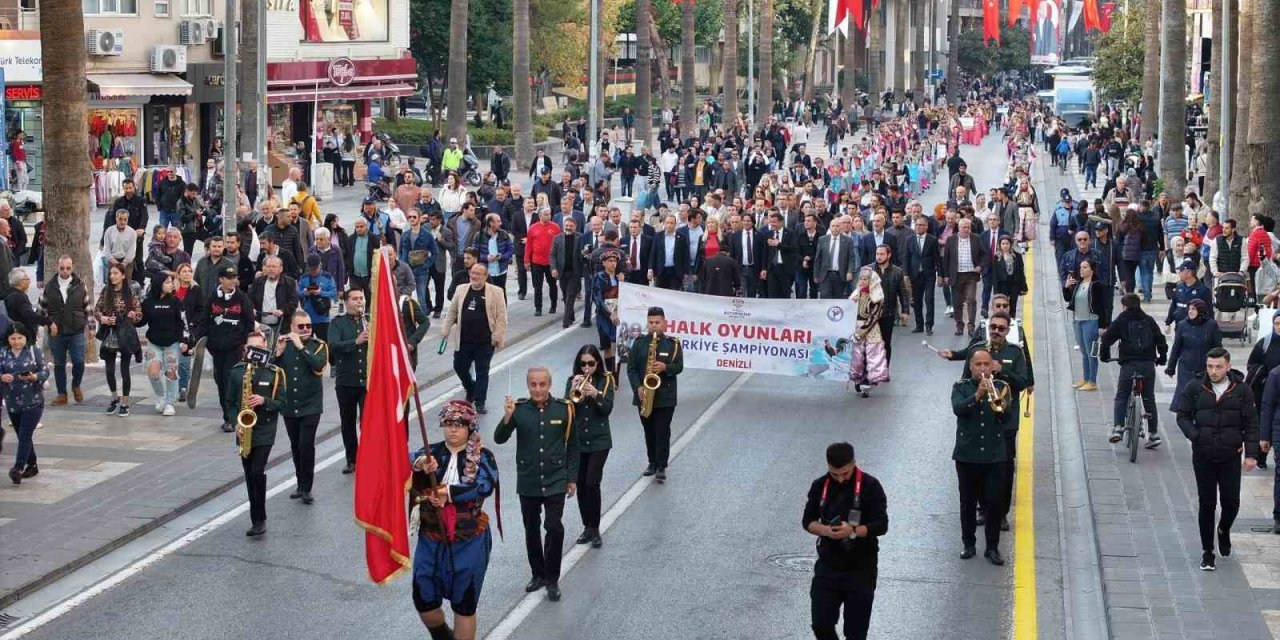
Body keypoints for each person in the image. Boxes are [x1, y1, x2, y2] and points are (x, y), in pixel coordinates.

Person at [410, 400, 499, 640]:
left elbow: (485, 485)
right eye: (449, 423)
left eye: (459, 424)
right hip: (431, 537)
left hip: (468, 539)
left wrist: (448, 493)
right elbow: (407, 460)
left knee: (464, 602)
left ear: (470, 427)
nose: (453, 429)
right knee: (423, 598)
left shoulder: (483, 456)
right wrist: (419, 464)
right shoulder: (431, 452)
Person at [494, 367, 578, 602]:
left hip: (555, 480)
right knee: (531, 528)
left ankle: (552, 579)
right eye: (534, 385)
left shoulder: (564, 409)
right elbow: (499, 438)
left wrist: (571, 478)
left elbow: (573, 446)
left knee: (554, 527)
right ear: (528, 385)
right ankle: (538, 574)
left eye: (542, 384)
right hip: (529, 480)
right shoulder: (519, 410)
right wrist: (507, 416)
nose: (538, 389)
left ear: (549, 385)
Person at [1175, 347, 1260, 571]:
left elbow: (1251, 423)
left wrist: (1251, 454)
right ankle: (1207, 552)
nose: (1214, 371)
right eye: (1210, 366)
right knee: (1207, 503)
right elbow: (1182, 416)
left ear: (1228, 367)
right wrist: (1195, 435)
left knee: (1231, 502)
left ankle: (1223, 529)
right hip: (1203, 455)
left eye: (1218, 367)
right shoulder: (1195, 387)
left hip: (1230, 455)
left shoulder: (1242, 391)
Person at [803, 442, 888, 640]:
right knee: (821, 624)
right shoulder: (819, 486)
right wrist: (826, 531)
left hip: (861, 568)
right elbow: (807, 521)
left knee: (855, 633)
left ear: (854, 463)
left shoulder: (870, 486)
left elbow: (882, 525)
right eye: (835, 474)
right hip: (828, 566)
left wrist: (853, 531)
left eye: (845, 473)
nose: (840, 479)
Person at [951, 348, 1013, 565]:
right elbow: (958, 409)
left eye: (987, 364)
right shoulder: (960, 387)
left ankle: (992, 548)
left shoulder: (1002, 388)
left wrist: (993, 398)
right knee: (967, 504)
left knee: (994, 504)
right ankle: (968, 544)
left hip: (995, 457)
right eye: (978, 365)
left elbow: (1006, 416)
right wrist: (977, 395)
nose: (983, 368)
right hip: (967, 455)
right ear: (971, 367)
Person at [227, 331, 285, 537]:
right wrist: (235, 423)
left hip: (265, 430)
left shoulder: (274, 373)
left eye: (258, 349)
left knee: (256, 472)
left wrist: (264, 401)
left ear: (265, 349)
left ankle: (259, 519)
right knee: (249, 474)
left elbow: (282, 402)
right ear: (245, 349)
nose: (253, 353)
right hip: (244, 429)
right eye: (250, 348)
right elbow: (231, 403)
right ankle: (255, 517)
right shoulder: (237, 372)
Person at [1099, 294, 1168, 447]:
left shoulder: (1122, 320)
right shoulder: (1148, 320)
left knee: (1122, 396)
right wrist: (1162, 357)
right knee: (1149, 398)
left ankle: (1118, 427)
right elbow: (1161, 340)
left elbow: (1106, 339)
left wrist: (1104, 356)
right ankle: (1154, 434)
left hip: (1129, 365)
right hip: (1148, 365)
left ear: (1124, 306)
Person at [273, 310, 327, 504]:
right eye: (301, 326)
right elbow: (271, 373)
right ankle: (300, 482)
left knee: (306, 445)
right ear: (292, 328)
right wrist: (277, 354)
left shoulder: (318, 346)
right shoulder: (284, 345)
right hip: (290, 404)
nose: (305, 329)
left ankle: (307, 487)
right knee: (295, 445)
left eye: (308, 326)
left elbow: (318, 365)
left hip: (310, 404)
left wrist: (300, 346)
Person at [626, 307, 684, 482]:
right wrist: (638, 387)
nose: (654, 326)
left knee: (662, 431)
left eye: (657, 322)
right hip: (644, 396)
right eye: (651, 323)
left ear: (664, 323)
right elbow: (631, 369)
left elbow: (679, 367)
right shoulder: (639, 343)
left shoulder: (673, 345)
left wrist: (666, 367)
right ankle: (651, 462)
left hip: (665, 397)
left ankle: (661, 466)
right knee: (649, 431)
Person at [442, 263, 508, 415]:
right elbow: (452, 311)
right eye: (473, 273)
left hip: (485, 342)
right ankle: (470, 387)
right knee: (459, 366)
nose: (474, 276)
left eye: (478, 274)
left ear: (485, 276)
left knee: (482, 371)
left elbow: (501, 317)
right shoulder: (461, 289)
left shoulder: (496, 292)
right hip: (464, 340)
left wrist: (497, 335)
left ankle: (480, 401)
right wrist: (445, 329)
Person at [567, 345, 614, 548]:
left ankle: (595, 528)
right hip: (578, 441)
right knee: (581, 486)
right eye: (583, 363)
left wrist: (595, 394)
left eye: (591, 364)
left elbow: (607, 409)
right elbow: (567, 409)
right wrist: (572, 392)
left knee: (592, 483)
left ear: (597, 363)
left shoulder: (606, 380)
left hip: (599, 441)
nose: (587, 368)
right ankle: (587, 526)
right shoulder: (573, 381)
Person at [205, 266, 256, 433]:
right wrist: (198, 341)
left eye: (234, 277)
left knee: (230, 380)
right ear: (221, 279)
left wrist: (245, 342)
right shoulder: (212, 298)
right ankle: (226, 415)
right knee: (220, 381)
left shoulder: (242, 298)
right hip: (217, 348)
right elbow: (204, 320)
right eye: (229, 277)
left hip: (235, 348)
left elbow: (249, 322)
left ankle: (232, 417)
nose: (233, 280)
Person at [40, 256, 91, 406]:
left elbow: (87, 307)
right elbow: (41, 310)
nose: (65, 271)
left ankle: (76, 385)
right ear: (58, 267)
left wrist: (91, 327)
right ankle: (62, 394)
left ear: (72, 267)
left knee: (79, 361)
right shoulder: (49, 286)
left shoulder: (80, 284)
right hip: (57, 331)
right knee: (59, 364)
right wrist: (49, 324)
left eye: (68, 268)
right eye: (62, 268)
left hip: (76, 329)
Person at [329, 289, 369, 474]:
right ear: (346, 301)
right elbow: (334, 346)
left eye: (361, 298)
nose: (359, 302)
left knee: (368, 422)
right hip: (346, 381)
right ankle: (351, 459)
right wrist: (356, 341)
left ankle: (369, 456)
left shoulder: (369, 320)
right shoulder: (338, 323)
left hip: (367, 381)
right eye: (354, 299)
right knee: (348, 422)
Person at [95, 264, 142, 417]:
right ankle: (114, 398)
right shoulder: (106, 291)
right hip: (110, 334)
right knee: (109, 371)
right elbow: (97, 310)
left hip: (126, 335)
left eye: (116, 273)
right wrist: (103, 318)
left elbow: (139, 314)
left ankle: (126, 402)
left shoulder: (130, 292)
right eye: (111, 274)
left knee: (124, 370)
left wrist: (132, 316)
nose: (112, 276)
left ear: (123, 275)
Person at [3, 323, 48, 485]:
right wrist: (2, 377)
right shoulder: (3, 353)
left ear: (25, 337)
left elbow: (45, 370)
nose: (16, 342)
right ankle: (33, 465)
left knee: (24, 434)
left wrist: (35, 377)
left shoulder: (33, 351)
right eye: (13, 338)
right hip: (12, 402)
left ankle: (18, 467)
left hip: (33, 400)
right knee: (22, 435)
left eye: (20, 338)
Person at [141, 275, 187, 416]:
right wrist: (134, 317)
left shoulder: (175, 301)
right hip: (154, 342)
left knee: (171, 373)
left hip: (172, 343)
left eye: (171, 282)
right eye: (167, 282)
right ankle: (161, 396)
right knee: (152, 371)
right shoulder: (148, 302)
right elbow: (141, 321)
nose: (171, 285)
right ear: (158, 284)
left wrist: (185, 340)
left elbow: (182, 322)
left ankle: (170, 403)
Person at [1167, 300, 1222, 411]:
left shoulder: (1211, 325)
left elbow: (1218, 347)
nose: (1190, 311)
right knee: (1185, 391)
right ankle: (1184, 414)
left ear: (1200, 310)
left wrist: (1220, 365)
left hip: (1204, 366)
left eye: (1194, 309)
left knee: (1203, 393)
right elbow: (1176, 348)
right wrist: (1170, 367)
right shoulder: (1183, 325)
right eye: (1189, 309)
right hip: (1186, 366)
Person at [1063, 259, 1105, 391]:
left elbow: (1103, 306)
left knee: (1091, 352)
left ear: (1092, 270)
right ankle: (1086, 378)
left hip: (1091, 321)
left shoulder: (1096, 285)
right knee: (1083, 352)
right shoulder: (1079, 283)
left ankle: (1092, 381)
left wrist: (1103, 325)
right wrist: (1066, 287)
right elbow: (1068, 299)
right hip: (1078, 321)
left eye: (1085, 267)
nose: (1081, 270)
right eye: (1081, 267)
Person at [847, 267, 888, 397]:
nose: (863, 281)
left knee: (870, 358)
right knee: (857, 357)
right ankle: (858, 379)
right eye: (861, 278)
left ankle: (867, 385)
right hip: (856, 328)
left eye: (866, 279)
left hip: (870, 329)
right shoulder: (856, 294)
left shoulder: (877, 297)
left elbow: (874, 317)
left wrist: (861, 332)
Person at [944, 218, 986, 336]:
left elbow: (984, 254)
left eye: (969, 227)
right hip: (956, 275)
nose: (967, 230)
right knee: (957, 302)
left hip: (971, 275)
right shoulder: (951, 240)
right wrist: (945, 275)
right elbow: (946, 259)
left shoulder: (976, 238)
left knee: (971, 300)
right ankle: (959, 326)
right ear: (959, 228)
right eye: (964, 227)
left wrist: (980, 266)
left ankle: (971, 326)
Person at [592, 250, 623, 373]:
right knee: (607, 347)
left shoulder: (620, 277)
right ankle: (609, 373)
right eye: (610, 261)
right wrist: (609, 314)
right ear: (604, 263)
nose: (612, 264)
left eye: (614, 261)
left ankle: (616, 376)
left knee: (617, 346)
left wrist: (623, 282)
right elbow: (597, 299)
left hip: (619, 314)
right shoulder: (599, 277)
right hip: (604, 316)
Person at [991, 237, 1027, 318]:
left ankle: (1012, 320)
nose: (1005, 246)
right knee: (1003, 304)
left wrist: (1023, 286)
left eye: (1007, 243)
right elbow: (995, 275)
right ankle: (1003, 319)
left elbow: (1021, 272)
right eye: (1003, 244)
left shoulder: (1017, 256)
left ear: (1010, 245)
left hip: (1014, 283)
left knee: (1013, 303)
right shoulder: (996, 257)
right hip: (1002, 284)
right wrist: (996, 289)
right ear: (1000, 245)